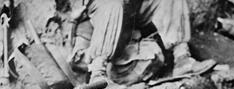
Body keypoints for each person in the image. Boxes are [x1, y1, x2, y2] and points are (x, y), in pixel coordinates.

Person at [69, 0, 216, 84]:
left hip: (131, 14)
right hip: (98, 13)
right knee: (112, 3)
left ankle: (182, 59)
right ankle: (98, 76)